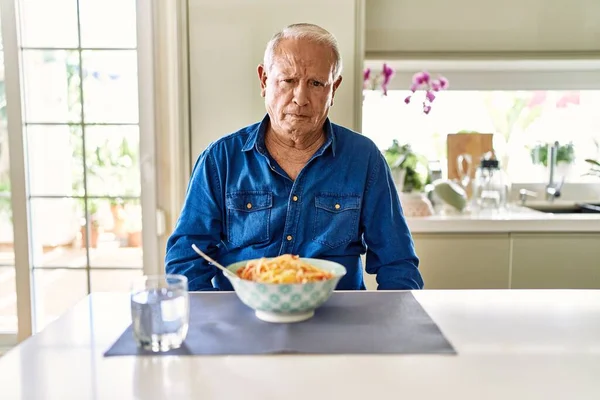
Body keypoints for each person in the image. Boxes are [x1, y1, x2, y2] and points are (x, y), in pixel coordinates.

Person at [165, 23, 423, 291]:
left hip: (338, 323)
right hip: (244, 321)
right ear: (264, 81)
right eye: (288, 81)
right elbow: (186, 259)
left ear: (333, 88)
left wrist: (390, 328)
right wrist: (219, 325)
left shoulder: (364, 159)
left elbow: (398, 265)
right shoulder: (220, 160)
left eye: (316, 83)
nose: (300, 98)